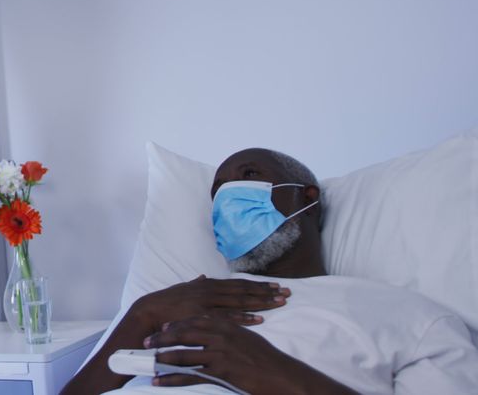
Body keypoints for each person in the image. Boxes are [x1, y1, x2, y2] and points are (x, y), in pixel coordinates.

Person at [63, 148, 478, 394]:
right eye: (218, 192)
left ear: (307, 197)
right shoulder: (172, 303)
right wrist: (140, 315)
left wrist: (272, 374)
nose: (229, 196)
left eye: (249, 175)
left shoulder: (408, 316)